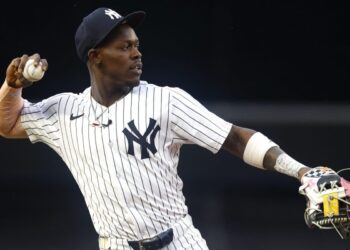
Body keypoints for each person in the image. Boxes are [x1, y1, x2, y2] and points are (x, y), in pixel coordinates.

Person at [0, 6, 343, 250]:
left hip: (177, 241)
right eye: (124, 47)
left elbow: (235, 138)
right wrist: (11, 87)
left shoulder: (166, 101)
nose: (137, 54)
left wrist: (301, 171)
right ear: (96, 57)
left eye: (137, 45)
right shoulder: (64, 111)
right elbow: (8, 122)